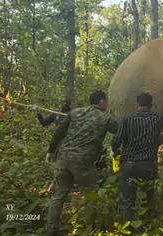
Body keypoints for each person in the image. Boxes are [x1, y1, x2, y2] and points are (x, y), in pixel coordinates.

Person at [111, 93, 163, 230]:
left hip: (128, 165)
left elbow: (117, 140)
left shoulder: (127, 118)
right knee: (147, 198)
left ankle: (130, 230)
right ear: (151, 105)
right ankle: (147, 228)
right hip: (147, 165)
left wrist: (115, 151)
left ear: (137, 105)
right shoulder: (156, 118)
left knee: (127, 201)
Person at [45, 90, 118, 236]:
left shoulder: (74, 113)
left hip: (63, 158)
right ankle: (88, 228)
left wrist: (51, 151)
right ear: (102, 102)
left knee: (59, 194)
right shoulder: (105, 119)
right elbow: (121, 131)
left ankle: (50, 229)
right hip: (83, 162)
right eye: (107, 100)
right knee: (90, 194)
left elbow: (59, 131)